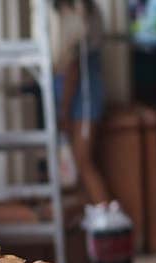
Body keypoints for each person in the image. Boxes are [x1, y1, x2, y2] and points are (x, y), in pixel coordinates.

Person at [50, 0, 112, 206]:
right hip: (80, 89)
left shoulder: (77, 11)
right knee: (79, 164)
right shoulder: (83, 10)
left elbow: (73, 68)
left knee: (82, 160)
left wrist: (63, 112)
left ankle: (107, 218)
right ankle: (95, 217)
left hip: (81, 93)